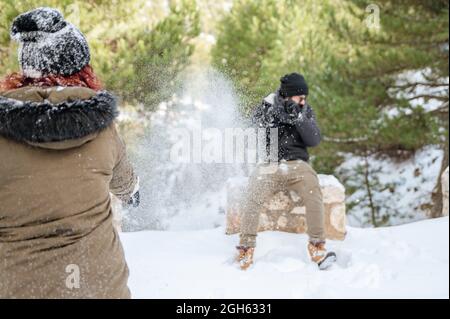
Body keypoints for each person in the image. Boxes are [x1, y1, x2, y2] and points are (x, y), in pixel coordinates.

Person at [0, 7, 139, 298]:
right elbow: (126, 183)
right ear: (81, 69)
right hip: (100, 287)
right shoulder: (103, 129)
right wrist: (133, 195)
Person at [236, 73, 336, 270]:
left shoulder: (305, 111)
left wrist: (298, 117)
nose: (303, 101)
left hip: (297, 164)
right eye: (300, 97)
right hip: (270, 163)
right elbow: (253, 125)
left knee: (313, 192)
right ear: (289, 95)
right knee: (253, 192)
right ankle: (246, 247)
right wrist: (272, 111)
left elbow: (314, 140)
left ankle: (317, 246)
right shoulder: (268, 105)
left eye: (304, 98)